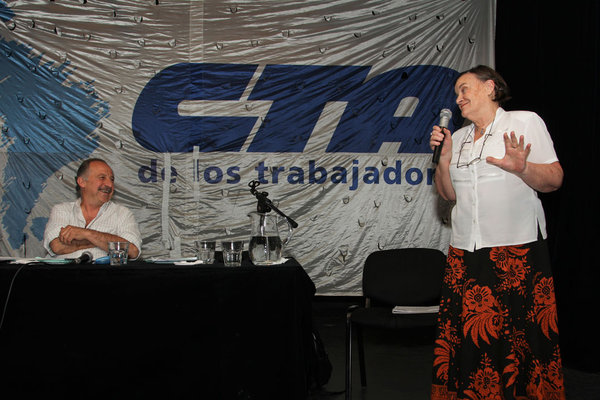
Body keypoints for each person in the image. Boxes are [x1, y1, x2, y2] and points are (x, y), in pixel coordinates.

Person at [429, 65, 565, 399]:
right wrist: (443, 161)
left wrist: (523, 167)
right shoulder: (459, 137)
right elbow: (448, 195)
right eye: (456, 93)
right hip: (466, 252)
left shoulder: (524, 122)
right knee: (472, 340)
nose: (458, 98)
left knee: (519, 340)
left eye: (464, 89)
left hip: (515, 253)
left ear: (490, 87)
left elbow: (554, 179)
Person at [43, 158, 142, 260]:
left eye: (112, 179)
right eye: (102, 178)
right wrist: (104, 241)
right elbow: (57, 246)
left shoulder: (123, 214)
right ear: (82, 182)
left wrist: (87, 234)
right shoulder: (62, 210)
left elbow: (132, 250)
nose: (109, 184)